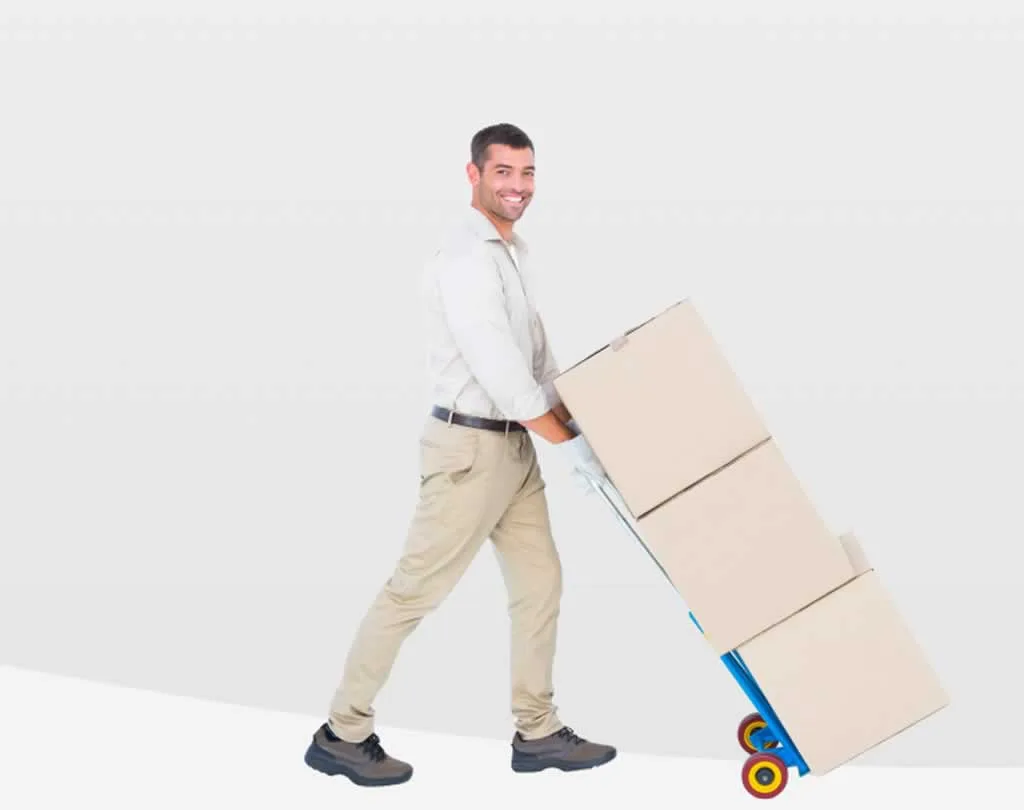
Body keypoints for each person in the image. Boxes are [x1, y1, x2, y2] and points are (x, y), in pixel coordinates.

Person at [303, 123, 615, 787]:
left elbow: (536, 359)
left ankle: (536, 731)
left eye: (527, 173)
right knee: (414, 590)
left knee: (540, 584)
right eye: (504, 172)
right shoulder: (466, 259)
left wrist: (585, 423)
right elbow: (502, 372)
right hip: (470, 449)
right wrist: (567, 443)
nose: (518, 186)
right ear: (473, 175)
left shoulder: (513, 253)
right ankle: (342, 732)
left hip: (514, 448)